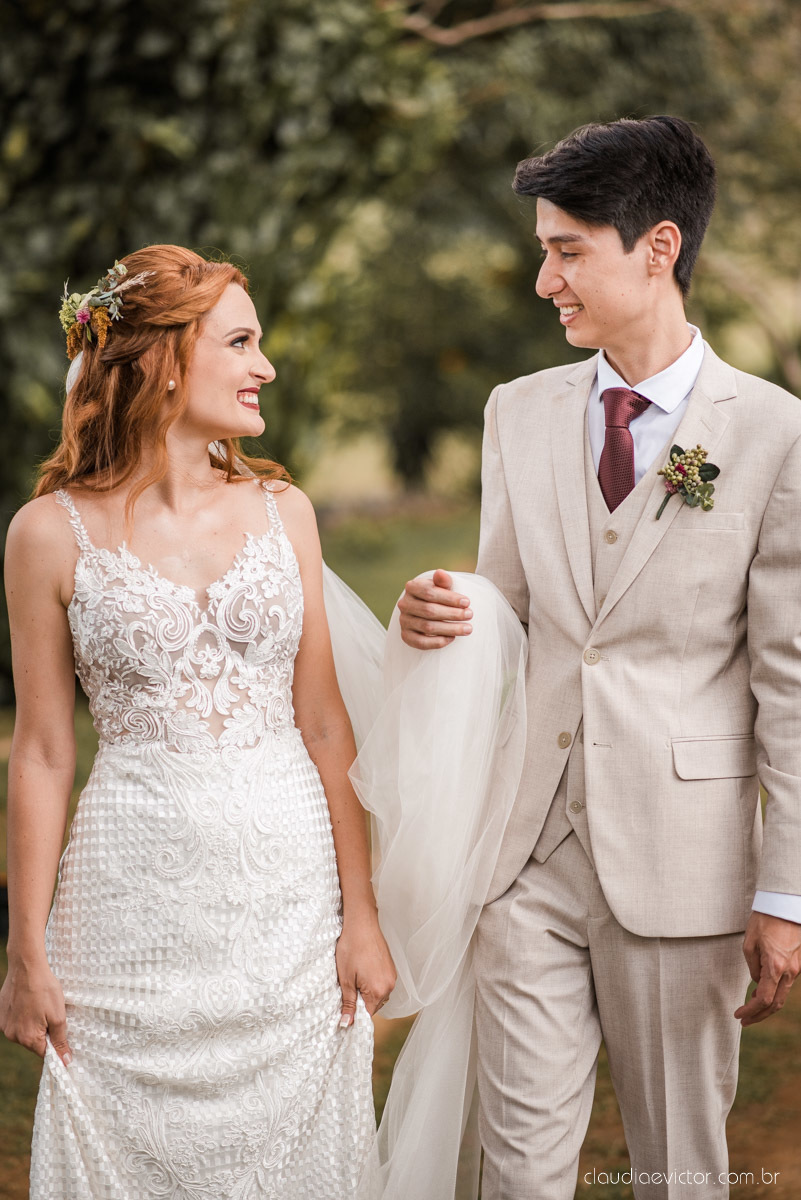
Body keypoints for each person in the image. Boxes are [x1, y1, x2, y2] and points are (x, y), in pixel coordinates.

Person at [399, 116, 801, 1199]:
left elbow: (791, 684)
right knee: (517, 1170)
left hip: (683, 864)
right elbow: (508, 613)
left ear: (658, 248)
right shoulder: (516, 415)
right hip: (524, 853)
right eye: (544, 249)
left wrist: (788, 890)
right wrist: (440, 614)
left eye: (567, 250)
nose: (545, 282)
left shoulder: (771, 434)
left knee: (679, 1170)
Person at [0, 245, 395, 1199]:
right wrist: (24, 950)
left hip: (288, 910)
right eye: (242, 341)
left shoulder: (283, 511)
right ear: (163, 358)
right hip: (126, 912)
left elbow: (326, 725)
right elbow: (45, 753)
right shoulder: (47, 533)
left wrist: (363, 916)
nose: (265, 366)